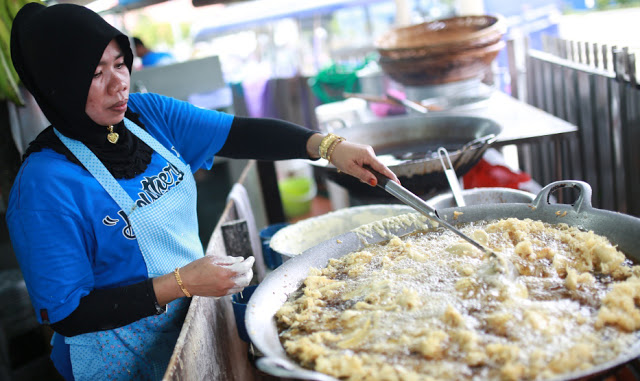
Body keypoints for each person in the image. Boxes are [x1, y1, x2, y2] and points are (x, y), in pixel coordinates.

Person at [6, 3, 399, 381]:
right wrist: (181, 283)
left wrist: (330, 148)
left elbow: (238, 133)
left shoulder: (148, 116)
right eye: (96, 73)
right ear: (61, 85)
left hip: (190, 318)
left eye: (121, 64)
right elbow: (69, 314)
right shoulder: (43, 187)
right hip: (118, 358)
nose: (118, 84)